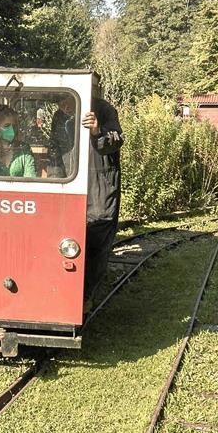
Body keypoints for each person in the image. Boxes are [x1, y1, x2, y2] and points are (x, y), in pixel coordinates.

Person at [83, 82, 123, 306]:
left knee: (97, 243)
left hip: (100, 187)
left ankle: (88, 296)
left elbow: (116, 140)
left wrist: (98, 131)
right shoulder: (63, 112)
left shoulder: (105, 110)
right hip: (70, 188)